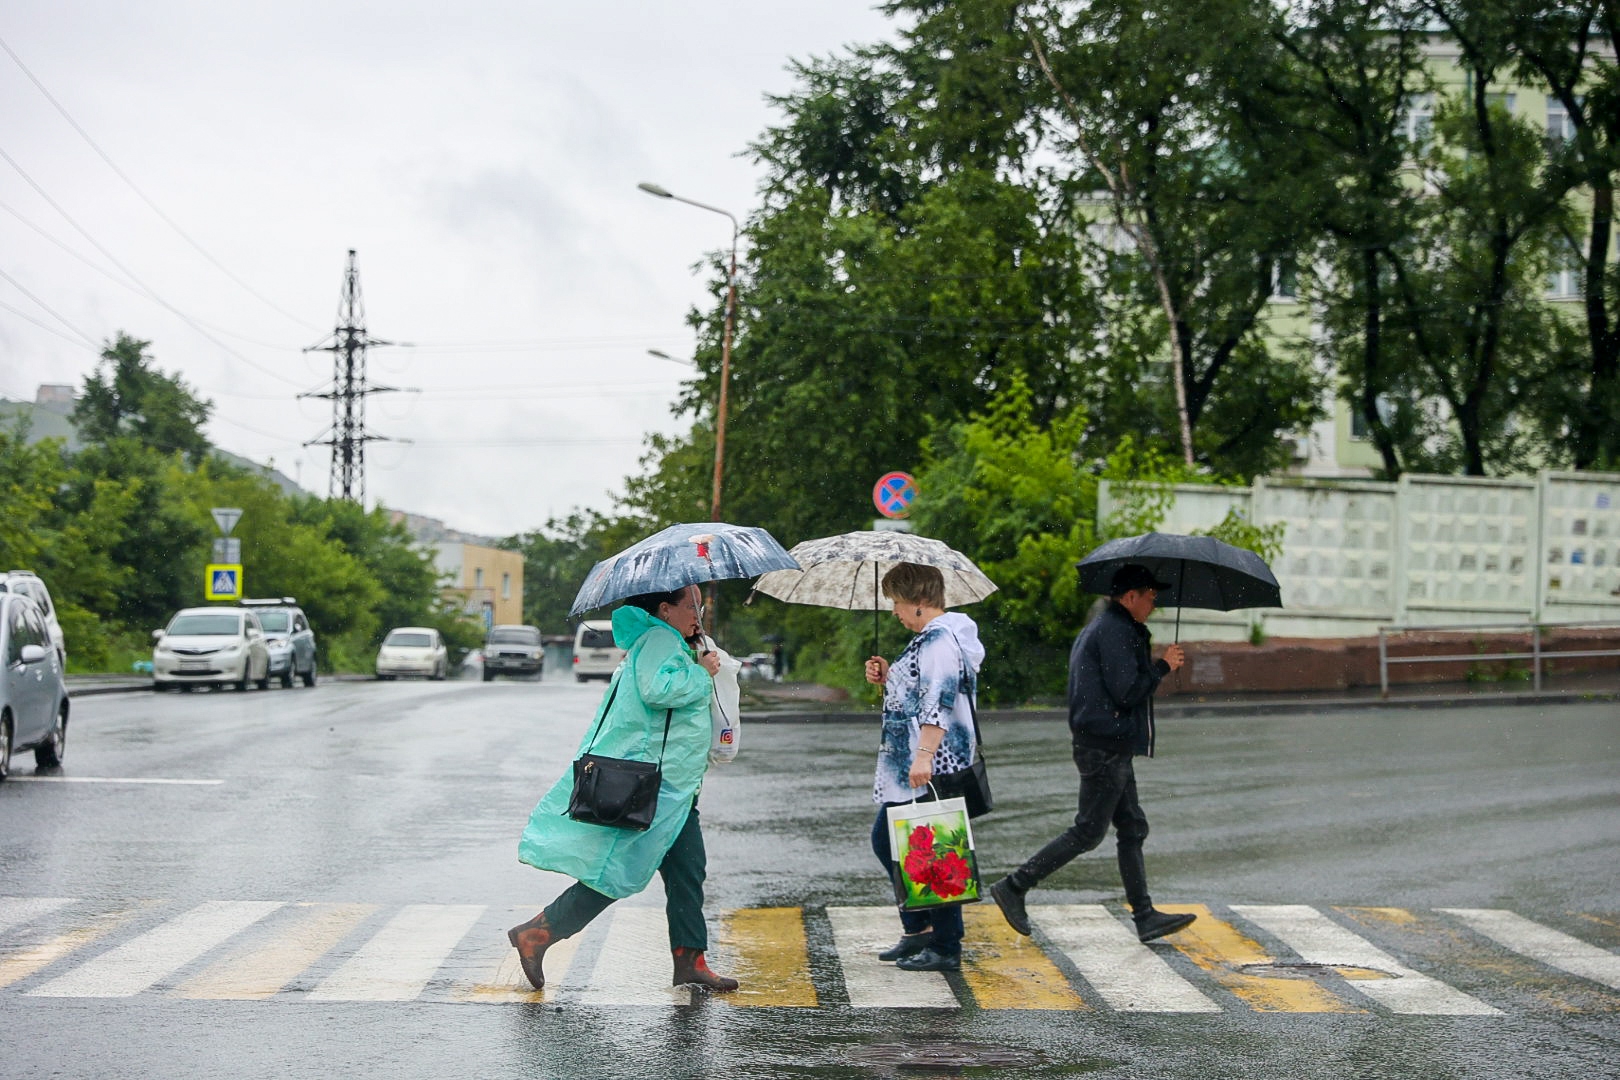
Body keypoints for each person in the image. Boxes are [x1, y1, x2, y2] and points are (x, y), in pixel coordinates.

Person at [508, 584, 738, 993]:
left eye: (700, 606)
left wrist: (696, 660)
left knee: (688, 871)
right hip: (654, 787)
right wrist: (701, 673)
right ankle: (538, 933)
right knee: (618, 873)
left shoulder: (673, 641)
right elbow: (657, 691)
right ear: (665, 609)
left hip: (676, 787)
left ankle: (691, 960)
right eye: (691, 605)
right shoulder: (657, 639)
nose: (698, 613)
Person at [989, 563, 1197, 944]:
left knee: (1132, 827)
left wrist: (1153, 665)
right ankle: (1015, 885)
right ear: (1130, 596)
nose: (1153, 604)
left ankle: (1146, 915)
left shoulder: (1111, 627)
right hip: (1104, 747)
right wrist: (1163, 667)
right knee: (1088, 831)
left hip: (1109, 743)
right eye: (1150, 597)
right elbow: (1127, 692)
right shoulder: (1115, 632)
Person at [862, 562, 985, 973]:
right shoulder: (930, 639)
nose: (894, 611)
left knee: (931, 849)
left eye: (897, 602)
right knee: (902, 843)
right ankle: (919, 931)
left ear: (917, 602)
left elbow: (938, 700)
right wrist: (888, 676)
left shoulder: (939, 641)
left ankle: (946, 944)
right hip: (913, 762)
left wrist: (925, 756)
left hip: (932, 761)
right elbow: (916, 690)